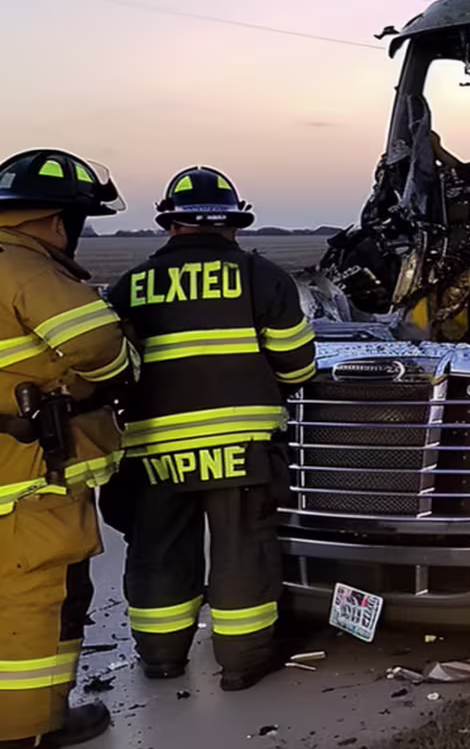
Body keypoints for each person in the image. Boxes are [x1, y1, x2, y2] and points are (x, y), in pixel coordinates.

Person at [105, 167, 315, 692]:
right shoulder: (262, 278)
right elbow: (296, 367)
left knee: (158, 549)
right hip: (241, 449)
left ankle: (161, 658)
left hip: (155, 451)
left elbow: (113, 371)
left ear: (170, 224)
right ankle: (242, 662)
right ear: (234, 224)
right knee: (242, 550)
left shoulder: (129, 286)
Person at [0, 149, 135, 749]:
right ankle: (26, 730)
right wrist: (126, 365)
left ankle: (36, 716)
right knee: (40, 600)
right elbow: (98, 344)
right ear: (55, 220)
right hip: (29, 478)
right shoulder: (26, 270)